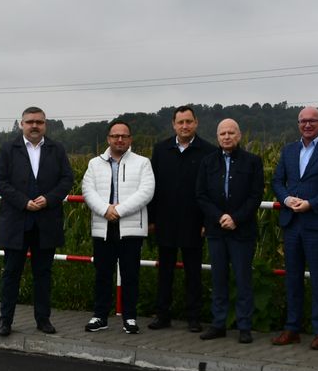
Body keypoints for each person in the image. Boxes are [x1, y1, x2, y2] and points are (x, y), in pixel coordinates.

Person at [0, 107, 76, 336]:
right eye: (30, 121)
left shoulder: (56, 149)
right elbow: (0, 182)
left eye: (39, 122)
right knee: (11, 274)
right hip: (16, 223)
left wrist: (49, 199)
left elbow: (67, 179)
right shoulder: (8, 149)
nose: (34, 126)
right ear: (21, 124)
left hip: (46, 222)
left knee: (43, 275)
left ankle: (43, 320)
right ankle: (5, 321)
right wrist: (23, 202)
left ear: (45, 125)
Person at [271, 106, 318, 350]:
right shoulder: (288, 151)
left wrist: (311, 204)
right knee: (292, 278)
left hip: (317, 223)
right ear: (298, 124)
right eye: (303, 121)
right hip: (292, 223)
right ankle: (292, 328)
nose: (307, 125)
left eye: (312, 121)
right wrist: (286, 199)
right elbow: (277, 181)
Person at [81, 119, 155, 334]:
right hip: (102, 227)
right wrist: (106, 210)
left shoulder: (142, 163)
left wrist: (118, 210)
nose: (119, 139)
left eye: (124, 136)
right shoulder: (94, 164)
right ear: (108, 139)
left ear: (130, 139)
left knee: (130, 274)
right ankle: (100, 316)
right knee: (102, 274)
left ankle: (130, 318)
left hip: (131, 227)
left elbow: (146, 192)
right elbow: (88, 191)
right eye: (115, 136)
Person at [195, 118, 264, 343]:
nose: (227, 136)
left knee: (243, 279)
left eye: (231, 133)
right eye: (223, 133)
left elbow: (255, 196)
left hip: (242, 231)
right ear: (217, 137)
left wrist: (235, 218)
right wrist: (219, 217)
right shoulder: (207, 162)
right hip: (216, 230)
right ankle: (218, 324)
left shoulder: (253, 162)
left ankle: (244, 326)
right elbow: (201, 195)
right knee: (218, 278)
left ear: (239, 135)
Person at [148, 105, 212, 332]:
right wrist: (152, 219)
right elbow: (152, 187)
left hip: (195, 222)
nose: (184, 126)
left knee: (193, 273)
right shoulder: (161, 149)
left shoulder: (208, 151)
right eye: (180, 122)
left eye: (189, 121)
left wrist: (207, 221)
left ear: (196, 123)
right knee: (164, 271)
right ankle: (162, 315)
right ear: (173, 124)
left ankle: (193, 318)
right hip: (165, 220)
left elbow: (210, 191)